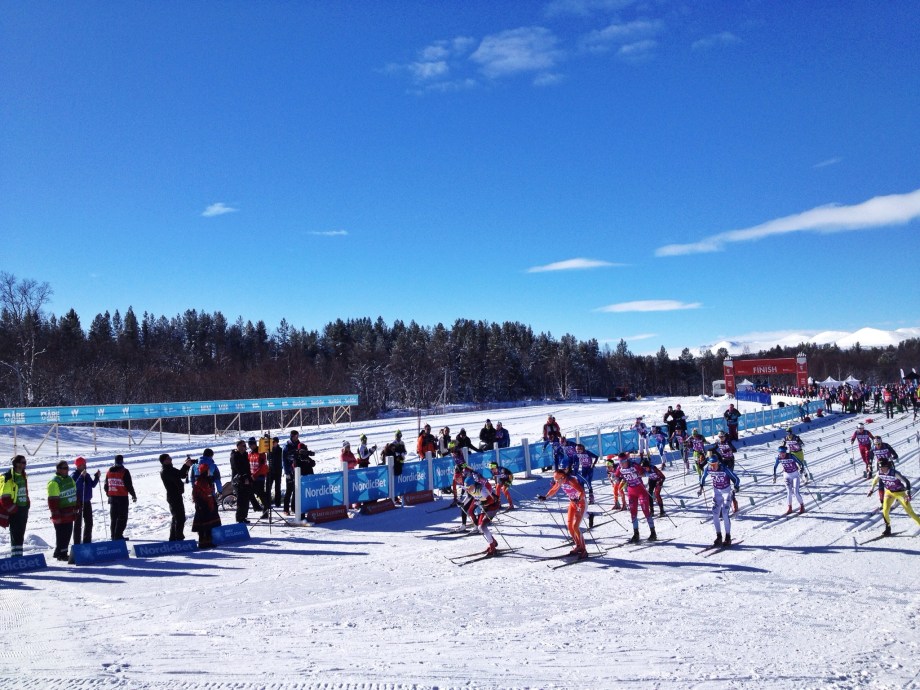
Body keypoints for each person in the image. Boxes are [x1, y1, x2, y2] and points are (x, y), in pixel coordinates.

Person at [538, 468, 588, 557]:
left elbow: (582, 492)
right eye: (555, 479)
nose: (556, 481)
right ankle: (578, 546)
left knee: (575, 526)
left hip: (581, 504)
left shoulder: (571, 481)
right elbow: (554, 489)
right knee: (570, 526)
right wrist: (545, 497)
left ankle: (584, 550)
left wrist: (578, 498)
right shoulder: (560, 482)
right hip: (572, 503)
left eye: (557, 479)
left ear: (563, 477)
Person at [869, 457, 920, 537]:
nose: (882, 469)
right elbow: (875, 480)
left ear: (887, 466)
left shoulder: (894, 473)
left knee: (910, 512)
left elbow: (907, 482)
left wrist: (908, 492)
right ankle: (888, 528)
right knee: (885, 510)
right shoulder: (879, 473)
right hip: (889, 492)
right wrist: (871, 490)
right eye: (880, 467)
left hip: (900, 493)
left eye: (883, 467)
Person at [613, 453, 657, 543]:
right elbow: (617, 477)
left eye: (623, 461)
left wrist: (640, 475)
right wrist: (616, 478)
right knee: (633, 513)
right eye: (619, 461)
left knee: (646, 512)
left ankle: (653, 533)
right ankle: (636, 534)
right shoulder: (619, 468)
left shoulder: (634, 465)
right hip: (631, 491)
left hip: (641, 491)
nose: (621, 464)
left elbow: (645, 473)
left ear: (626, 460)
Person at [699, 454, 741, 546]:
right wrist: (701, 486)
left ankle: (728, 537)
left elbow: (736, 479)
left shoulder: (724, 469)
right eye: (711, 464)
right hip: (716, 492)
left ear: (718, 462)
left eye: (714, 464)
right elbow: (703, 477)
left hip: (726, 492)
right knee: (715, 514)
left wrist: (736, 487)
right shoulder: (708, 468)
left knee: (725, 514)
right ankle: (719, 536)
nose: (713, 467)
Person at [460, 467, 502, 555]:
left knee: (483, 527)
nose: (467, 489)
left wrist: (481, 503)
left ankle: (492, 547)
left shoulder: (482, 490)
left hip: (493, 507)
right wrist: (462, 503)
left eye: (468, 487)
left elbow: (491, 500)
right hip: (486, 507)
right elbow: (472, 498)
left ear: (473, 485)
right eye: (466, 487)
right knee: (480, 528)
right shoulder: (471, 489)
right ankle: (493, 542)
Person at [47, 460, 78, 561]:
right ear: (58, 469)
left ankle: (58, 552)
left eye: (67, 468)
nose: (67, 470)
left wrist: (77, 505)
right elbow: (52, 501)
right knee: (62, 534)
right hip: (60, 512)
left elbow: (74, 492)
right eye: (64, 468)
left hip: (70, 511)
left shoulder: (69, 479)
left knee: (67, 533)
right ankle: (62, 554)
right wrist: (55, 515)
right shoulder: (54, 482)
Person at [1, 455, 30, 558]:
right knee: (16, 535)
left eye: (25, 462)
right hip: (15, 510)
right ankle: (16, 558)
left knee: (20, 534)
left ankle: (19, 556)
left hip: (23, 508)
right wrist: (13, 509)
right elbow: (4, 498)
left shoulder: (23, 475)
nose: (24, 464)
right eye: (23, 462)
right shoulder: (9, 478)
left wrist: (27, 504)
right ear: (17, 464)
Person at [160, 453, 194, 541]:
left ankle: (173, 537)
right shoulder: (165, 471)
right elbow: (178, 476)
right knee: (180, 517)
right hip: (173, 496)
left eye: (170, 458)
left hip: (177, 495)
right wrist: (185, 466)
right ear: (164, 461)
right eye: (168, 458)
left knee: (177, 517)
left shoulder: (170, 469)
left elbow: (181, 475)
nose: (170, 459)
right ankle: (178, 537)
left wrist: (187, 466)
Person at [104, 454, 136, 540]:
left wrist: (108, 493)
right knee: (122, 517)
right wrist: (133, 495)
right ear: (122, 461)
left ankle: (113, 536)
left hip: (112, 497)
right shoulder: (124, 471)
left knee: (113, 518)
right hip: (122, 497)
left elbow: (106, 485)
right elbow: (129, 485)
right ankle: (118, 535)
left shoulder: (109, 471)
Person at [71, 456, 100, 545]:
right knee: (78, 524)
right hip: (78, 503)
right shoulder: (74, 475)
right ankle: (77, 544)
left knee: (89, 523)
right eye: (83, 464)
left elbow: (92, 485)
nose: (85, 466)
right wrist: (81, 476)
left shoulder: (86, 474)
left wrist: (97, 477)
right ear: (78, 466)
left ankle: (87, 542)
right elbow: (75, 487)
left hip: (87, 502)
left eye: (85, 464)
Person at [192, 463, 221, 548]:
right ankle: (202, 542)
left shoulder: (207, 480)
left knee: (208, 525)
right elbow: (196, 495)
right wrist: (201, 504)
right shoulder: (200, 481)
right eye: (207, 470)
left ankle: (208, 541)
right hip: (203, 504)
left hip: (208, 503)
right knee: (203, 525)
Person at [230, 439, 258, 524]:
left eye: (245, 446)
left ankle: (244, 516)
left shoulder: (246, 455)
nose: (244, 447)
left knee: (246, 499)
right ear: (238, 446)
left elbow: (248, 467)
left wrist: (250, 477)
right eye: (243, 446)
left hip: (247, 479)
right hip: (238, 480)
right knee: (241, 500)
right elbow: (237, 468)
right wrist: (244, 477)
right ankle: (239, 518)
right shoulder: (234, 455)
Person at [773, 446, 806, 515]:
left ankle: (802, 506)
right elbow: (775, 466)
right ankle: (789, 508)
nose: (782, 454)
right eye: (781, 453)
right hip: (786, 475)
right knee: (789, 492)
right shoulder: (778, 458)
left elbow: (800, 462)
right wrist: (774, 475)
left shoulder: (791, 456)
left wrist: (802, 468)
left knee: (796, 492)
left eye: (784, 452)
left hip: (795, 475)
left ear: (786, 452)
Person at [714, 431, 739, 514]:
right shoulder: (718, 442)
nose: (721, 438)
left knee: (729, 479)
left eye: (722, 437)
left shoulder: (728, 442)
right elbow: (714, 449)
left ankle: (734, 501)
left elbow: (734, 450)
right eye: (719, 437)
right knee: (722, 480)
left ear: (725, 436)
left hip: (730, 461)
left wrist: (729, 448)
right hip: (723, 461)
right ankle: (722, 505)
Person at [870, 436, 899, 505]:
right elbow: (870, 457)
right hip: (880, 466)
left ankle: (898, 495)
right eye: (876, 444)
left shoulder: (886, 446)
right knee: (881, 483)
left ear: (881, 442)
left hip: (889, 465)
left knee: (892, 481)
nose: (877, 446)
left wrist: (891, 458)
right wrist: (869, 465)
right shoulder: (873, 448)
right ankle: (882, 501)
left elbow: (895, 455)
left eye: (879, 444)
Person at [247, 437, 270, 518]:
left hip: (260, 476)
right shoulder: (250, 453)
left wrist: (255, 475)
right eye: (249, 445)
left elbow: (262, 466)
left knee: (260, 493)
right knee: (250, 491)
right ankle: (259, 506)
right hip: (252, 476)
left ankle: (266, 509)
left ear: (254, 444)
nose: (250, 446)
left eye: (251, 444)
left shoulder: (261, 453)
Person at [268, 437, 284, 507]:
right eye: (272, 442)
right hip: (270, 470)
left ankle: (278, 502)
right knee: (269, 487)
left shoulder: (280, 450)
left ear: (277, 442)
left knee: (278, 487)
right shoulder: (269, 450)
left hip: (278, 470)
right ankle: (268, 501)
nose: (273, 443)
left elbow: (281, 459)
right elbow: (268, 458)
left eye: (274, 442)